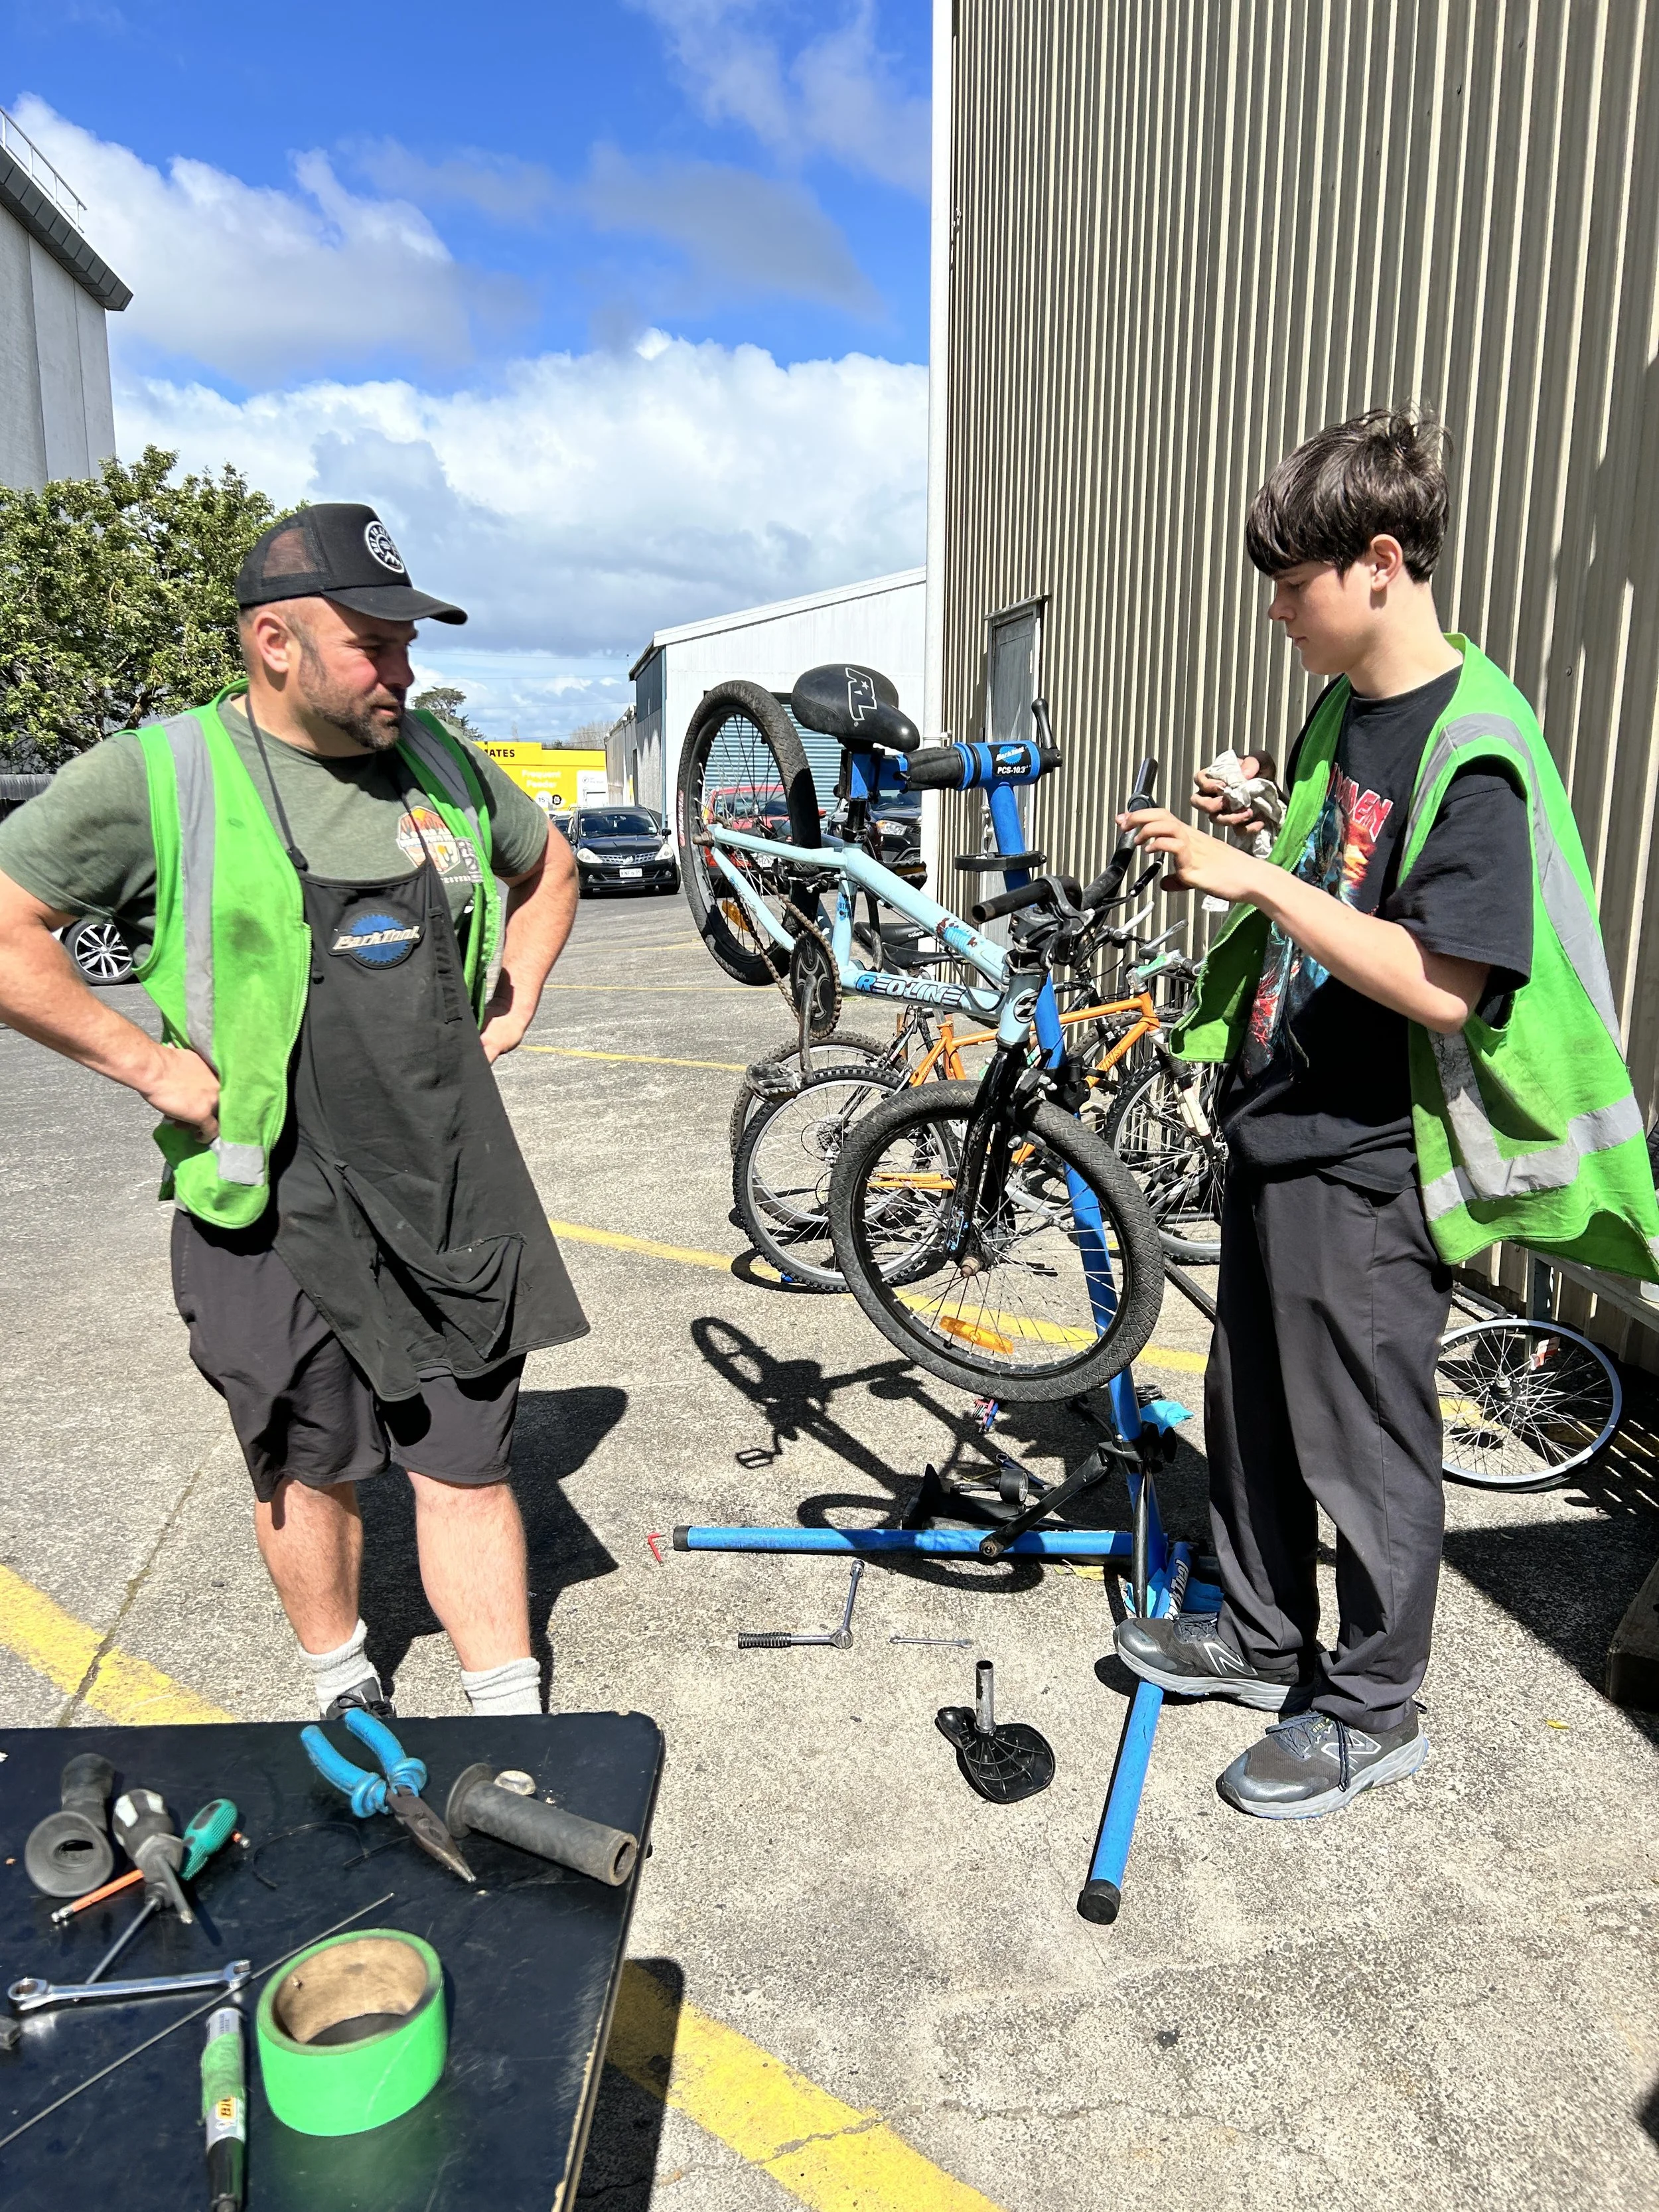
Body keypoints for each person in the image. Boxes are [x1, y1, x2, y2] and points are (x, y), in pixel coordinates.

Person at [1111, 410, 1658, 1819]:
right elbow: (1344, 860)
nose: (1277, 612)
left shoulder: (1473, 748)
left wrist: (1261, 886)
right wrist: (1257, 822)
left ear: (1374, 562)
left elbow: (1439, 978)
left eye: (1291, 587)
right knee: (1248, 1410)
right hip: (1280, 1123)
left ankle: (1370, 1707)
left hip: (1372, 1156)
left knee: (1361, 1439)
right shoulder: (1347, 703)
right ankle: (1254, 1632)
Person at [0, 504, 587, 1721]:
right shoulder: (160, 773)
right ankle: (340, 1682)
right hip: (264, 1191)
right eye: (374, 643)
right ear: (275, 641)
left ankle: (511, 1710)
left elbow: (552, 867)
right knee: (305, 1458)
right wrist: (151, 1068)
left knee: (467, 1462)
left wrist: (517, 994)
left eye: (408, 643)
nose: (404, 671)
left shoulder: (438, 759)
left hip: (443, 1173)